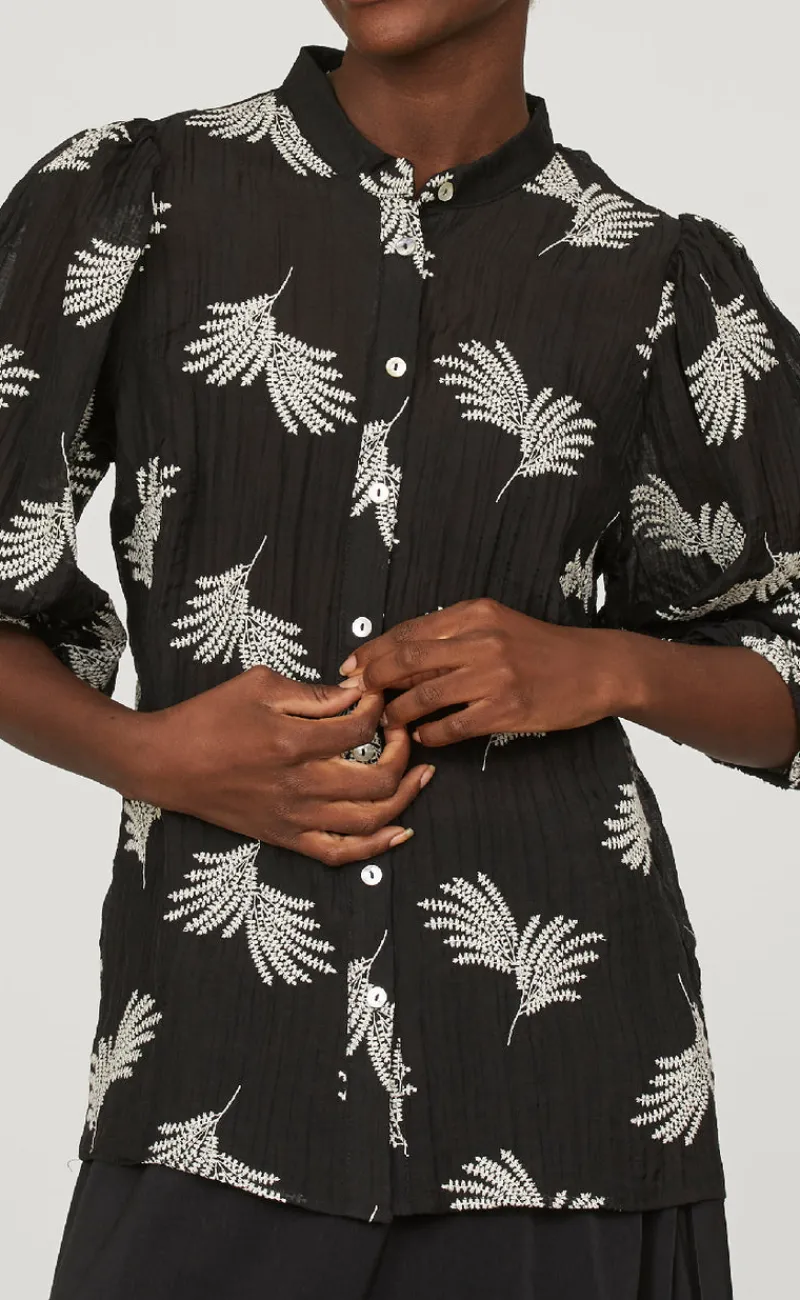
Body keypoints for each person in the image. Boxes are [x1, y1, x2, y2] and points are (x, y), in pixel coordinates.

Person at [1, 0, 797, 1296]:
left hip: (566, 1123)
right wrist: (149, 754)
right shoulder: (141, 201)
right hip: (216, 1085)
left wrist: (607, 665)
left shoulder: (655, 278)